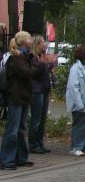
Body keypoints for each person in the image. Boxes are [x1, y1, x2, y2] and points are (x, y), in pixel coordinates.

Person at [1, 31, 42, 169]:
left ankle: (20, 157)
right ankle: (7, 160)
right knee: (13, 129)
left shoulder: (25, 56)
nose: (31, 42)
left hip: (23, 96)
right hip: (16, 96)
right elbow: (26, 73)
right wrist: (40, 65)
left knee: (21, 129)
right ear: (23, 41)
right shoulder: (17, 57)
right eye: (29, 39)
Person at [65, 45, 85, 158]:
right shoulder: (76, 68)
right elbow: (74, 87)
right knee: (79, 125)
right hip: (81, 102)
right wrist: (79, 104)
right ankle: (76, 147)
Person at [28, 35, 55, 154]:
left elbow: (46, 72)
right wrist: (45, 64)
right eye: (43, 42)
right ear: (37, 44)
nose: (46, 44)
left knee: (42, 118)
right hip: (36, 89)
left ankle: (39, 142)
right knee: (36, 118)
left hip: (44, 89)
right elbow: (34, 73)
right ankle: (33, 144)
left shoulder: (43, 56)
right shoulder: (32, 57)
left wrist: (50, 65)